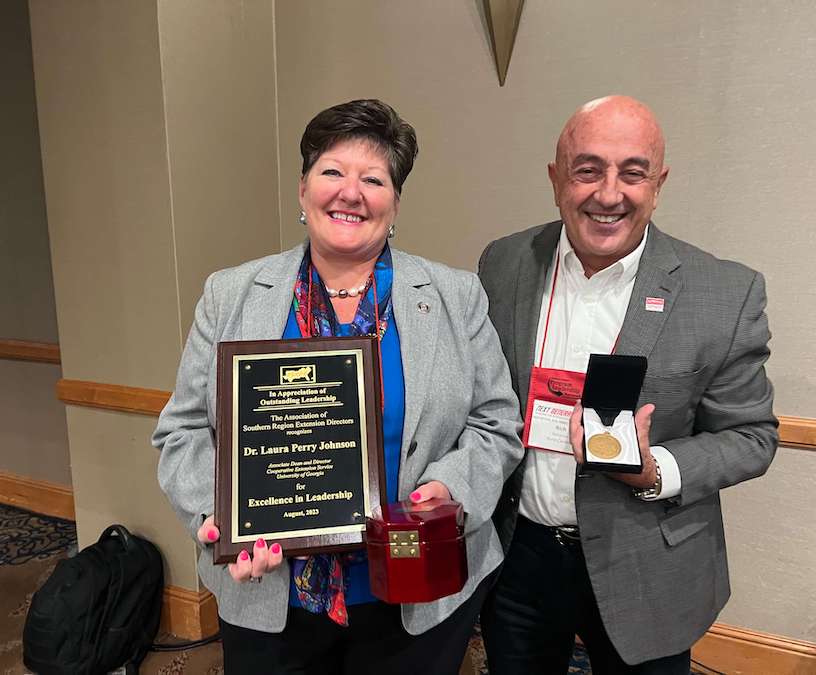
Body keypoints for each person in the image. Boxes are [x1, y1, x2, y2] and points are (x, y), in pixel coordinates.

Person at [152, 99, 523, 674]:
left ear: (394, 203)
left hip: (413, 591)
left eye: (373, 179)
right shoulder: (230, 294)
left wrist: (449, 490)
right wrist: (219, 515)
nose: (351, 192)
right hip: (269, 592)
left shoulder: (456, 295)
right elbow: (182, 431)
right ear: (303, 190)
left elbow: (496, 423)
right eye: (332, 172)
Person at [478, 95, 778, 674]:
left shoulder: (724, 293)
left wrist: (654, 469)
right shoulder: (503, 263)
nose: (609, 193)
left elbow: (752, 436)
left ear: (658, 183)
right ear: (556, 179)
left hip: (647, 560)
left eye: (632, 173)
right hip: (520, 557)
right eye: (587, 169)